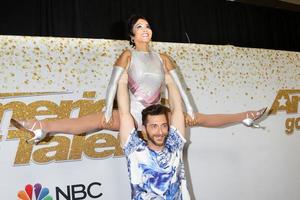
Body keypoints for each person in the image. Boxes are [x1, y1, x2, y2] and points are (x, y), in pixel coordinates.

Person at [10, 15, 266, 144]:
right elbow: (113, 84)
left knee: (198, 118)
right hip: (132, 114)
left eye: (148, 27)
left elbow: (177, 86)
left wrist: (188, 110)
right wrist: (106, 109)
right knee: (95, 121)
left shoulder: (163, 57)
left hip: (155, 112)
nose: (146, 30)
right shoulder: (127, 56)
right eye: (140, 27)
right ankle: (41, 126)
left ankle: (245, 115)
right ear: (132, 36)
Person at [118, 63, 190, 199]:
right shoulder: (134, 149)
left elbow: (177, 110)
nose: (160, 131)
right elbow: (124, 113)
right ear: (144, 129)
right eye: (154, 126)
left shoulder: (174, 145)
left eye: (163, 125)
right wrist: (123, 77)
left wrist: (168, 77)